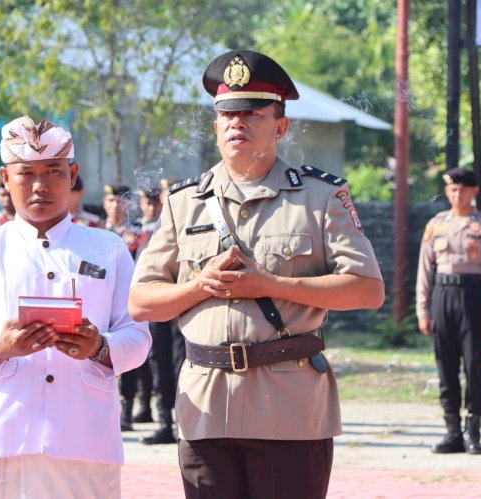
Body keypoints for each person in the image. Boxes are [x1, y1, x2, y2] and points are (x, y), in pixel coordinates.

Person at [129, 50, 384, 498]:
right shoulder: (184, 202)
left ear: (280, 126)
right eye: (226, 115)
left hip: (288, 406)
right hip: (205, 406)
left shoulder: (321, 197)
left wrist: (271, 285)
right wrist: (198, 286)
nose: (236, 125)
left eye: (251, 114)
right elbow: (141, 301)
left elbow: (367, 290)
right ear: (215, 127)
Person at [0, 115, 150, 497]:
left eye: (53, 171)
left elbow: (137, 335)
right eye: (26, 173)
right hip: (5, 434)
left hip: (86, 438)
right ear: (5, 178)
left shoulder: (108, 248)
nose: (40, 185)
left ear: (72, 175)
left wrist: (99, 348)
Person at [416, 167, 481, 455]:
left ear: (474, 191)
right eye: (453, 189)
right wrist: (423, 309)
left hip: (473, 297)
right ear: (447, 192)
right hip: (443, 296)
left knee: (473, 364)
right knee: (446, 365)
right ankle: (452, 431)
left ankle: (473, 430)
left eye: (463, 189)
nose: (458, 194)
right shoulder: (437, 224)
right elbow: (424, 270)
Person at [136, 186, 184, 445]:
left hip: (181, 306)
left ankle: (183, 424)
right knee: (158, 363)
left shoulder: (191, 224)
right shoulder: (149, 230)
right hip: (157, 307)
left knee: (181, 365)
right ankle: (165, 422)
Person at [102, 183, 152, 429]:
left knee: (127, 354)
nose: (115, 206)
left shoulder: (135, 233)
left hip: (126, 299)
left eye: (119, 201)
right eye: (110, 201)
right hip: (100, 299)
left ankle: (128, 411)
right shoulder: (95, 230)